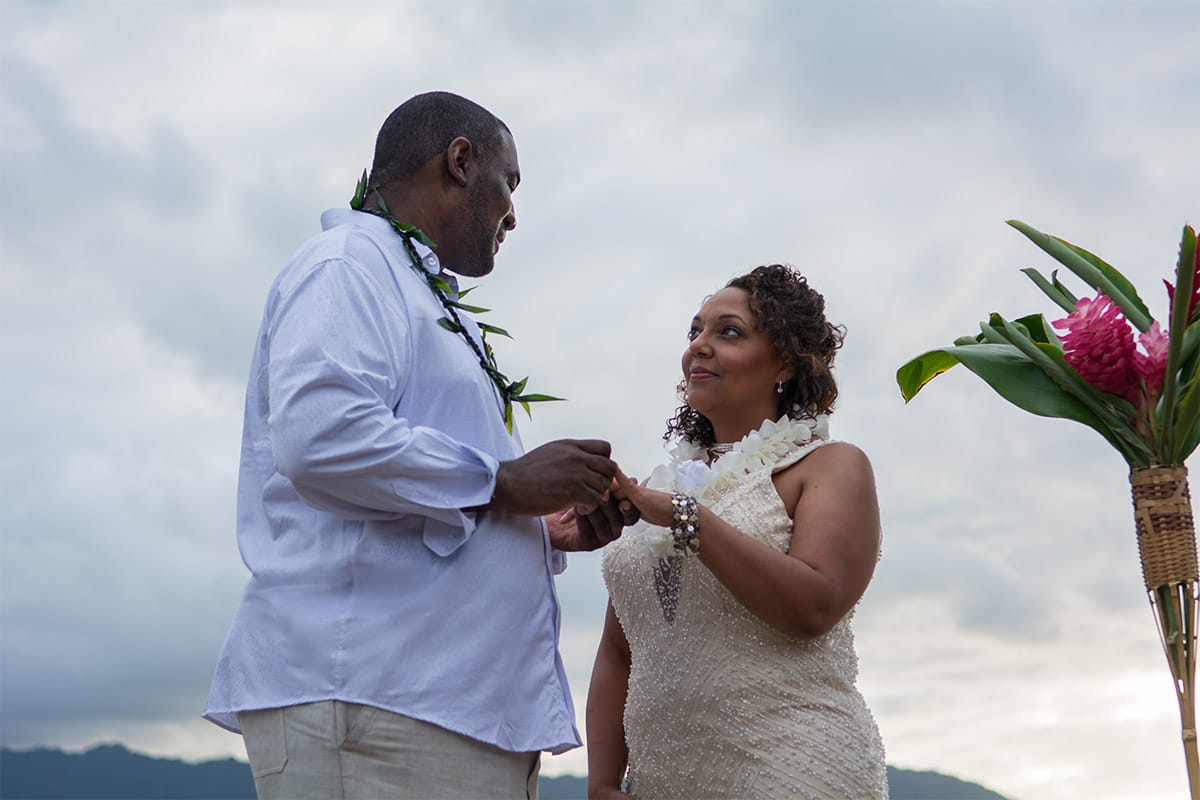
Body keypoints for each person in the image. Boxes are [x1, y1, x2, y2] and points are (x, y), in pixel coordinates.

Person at [203, 91, 635, 800]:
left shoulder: (419, 294)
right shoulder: (349, 264)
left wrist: (543, 526)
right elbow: (321, 438)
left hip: (440, 705)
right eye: (512, 183)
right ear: (460, 161)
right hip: (374, 697)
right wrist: (502, 481)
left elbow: (433, 489)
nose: (515, 213)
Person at [587, 264, 887, 799]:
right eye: (695, 331)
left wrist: (689, 518)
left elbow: (814, 606)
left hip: (791, 769)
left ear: (787, 364)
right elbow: (618, 652)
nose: (699, 346)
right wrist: (603, 782)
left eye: (728, 332)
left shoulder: (828, 466)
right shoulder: (667, 484)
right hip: (662, 782)